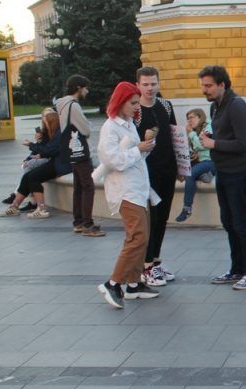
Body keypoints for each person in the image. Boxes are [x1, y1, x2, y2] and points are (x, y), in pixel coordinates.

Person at [96, 81, 161, 309]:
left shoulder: (128, 124)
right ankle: (113, 283)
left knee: (141, 236)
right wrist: (138, 150)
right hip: (125, 191)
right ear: (121, 102)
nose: (137, 107)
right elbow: (111, 159)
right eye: (133, 103)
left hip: (137, 188)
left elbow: (131, 156)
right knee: (137, 238)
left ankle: (133, 284)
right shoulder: (110, 127)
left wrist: (144, 149)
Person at [199, 65, 246, 290]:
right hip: (223, 171)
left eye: (208, 86)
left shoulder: (236, 105)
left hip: (239, 171)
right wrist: (212, 136)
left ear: (222, 84)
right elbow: (228, 135)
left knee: (241, 222)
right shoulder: (216, 107)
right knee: (229, 222)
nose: (204, 90)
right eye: (203, 86)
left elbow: (244, 143)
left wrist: (214, 143)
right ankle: (236, 269)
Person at [135, 67, 178, 287]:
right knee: (150, 219)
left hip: (167, 170)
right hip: (145, 174)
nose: (150, 88)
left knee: (162, 218)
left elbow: (175, 136)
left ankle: (156, 261)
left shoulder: (166, 106)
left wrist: (182, 167)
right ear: (138, 86)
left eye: (153, 83)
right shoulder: (135, 111)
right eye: (146, 84)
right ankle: (146, 266)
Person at [56, 74, 104, 237]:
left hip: (71, 150)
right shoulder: (73, 106)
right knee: (88, 186)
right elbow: (86, 130)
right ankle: (88, 225)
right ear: (78, 88)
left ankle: (78, 222)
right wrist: (87, 126)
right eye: (85, 88)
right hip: (80, 150)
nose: (87, 91)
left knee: (78, 186)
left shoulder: (61, 104)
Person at [0, 109, 69, 219]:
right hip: (56, 162)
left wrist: (30, 144)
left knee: (33, 177)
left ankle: (41, 208)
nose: (44, 124)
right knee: (27, 176)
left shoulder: (59, 133)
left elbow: (49, 150)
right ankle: (14, 206)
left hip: (61, 165)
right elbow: (48, 149)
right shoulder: (56, 132)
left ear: (51, 122)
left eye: (45, 121)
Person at [176, 107, 217, 222]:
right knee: (182, 171)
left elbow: (202, 145)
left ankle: (187, 209)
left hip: (211, 161)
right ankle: (205, 175)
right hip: (202, 162)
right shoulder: (196, 131)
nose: (189, 121)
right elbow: (193, 149)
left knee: (190, 174)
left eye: (192, 117)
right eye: (187, 118)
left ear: (200, 117)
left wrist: (191, 134)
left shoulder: (208, 127)